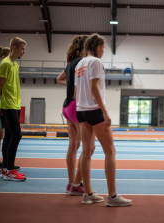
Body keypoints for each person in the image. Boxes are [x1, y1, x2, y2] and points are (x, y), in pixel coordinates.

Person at [75, 33, 132, 206]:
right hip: (94, 111)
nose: (103, 51)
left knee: (86, 152)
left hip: (81, 111)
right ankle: (113, 196)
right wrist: (105, 112)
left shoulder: (80, 63)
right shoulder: (96, 62)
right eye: (103, 47)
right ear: (98, 47)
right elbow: (94, 88)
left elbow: (77, 90)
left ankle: (88, 194)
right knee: (110, 152)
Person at [57, 35, 88, 195]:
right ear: (80, 49)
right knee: (89, 147)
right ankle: (77, 184)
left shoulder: (70, 64)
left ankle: (71, 183)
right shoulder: (82, 63)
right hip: (76, 105)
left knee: (73, 146)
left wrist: (70, 84)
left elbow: (59, 79)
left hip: (67, 106)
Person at [0, 37, 27, 181]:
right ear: (14, 48)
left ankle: (6, 169)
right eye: (22, 48)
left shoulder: (15, 65)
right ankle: (9, 170)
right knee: (17, 136)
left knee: (9, 136)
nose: (24, 51)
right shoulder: (5, 64)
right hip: (8, 105)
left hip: (15, 104)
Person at [0, 46, 10, 172]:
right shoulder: (3, 68)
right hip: (2, 104)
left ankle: (4, 161)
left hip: (4, 104)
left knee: (1, 135)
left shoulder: (6, 68)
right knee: (0, 135)